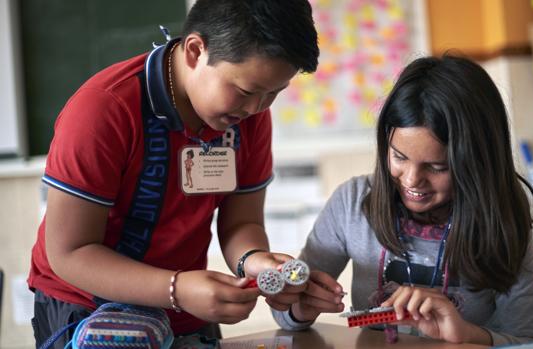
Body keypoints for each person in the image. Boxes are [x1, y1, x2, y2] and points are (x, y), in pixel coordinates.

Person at [28, 0, 319, 347]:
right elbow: (70, 253)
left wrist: (253, 261)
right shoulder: (105, 110)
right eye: (246, 91)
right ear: (196, 50)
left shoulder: (247, 115)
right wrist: (176, 288)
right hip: (87, 308)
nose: (257, 108)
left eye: (274, 93)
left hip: (186, 305)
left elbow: (242, 224)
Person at [273, 55, 533, 347]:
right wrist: (300, 306)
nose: (411, 180)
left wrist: (467, 335)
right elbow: (284, 311)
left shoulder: (500, 213)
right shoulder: (353, 203)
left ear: (478, 162)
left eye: (437, 167)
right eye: (399, 157)